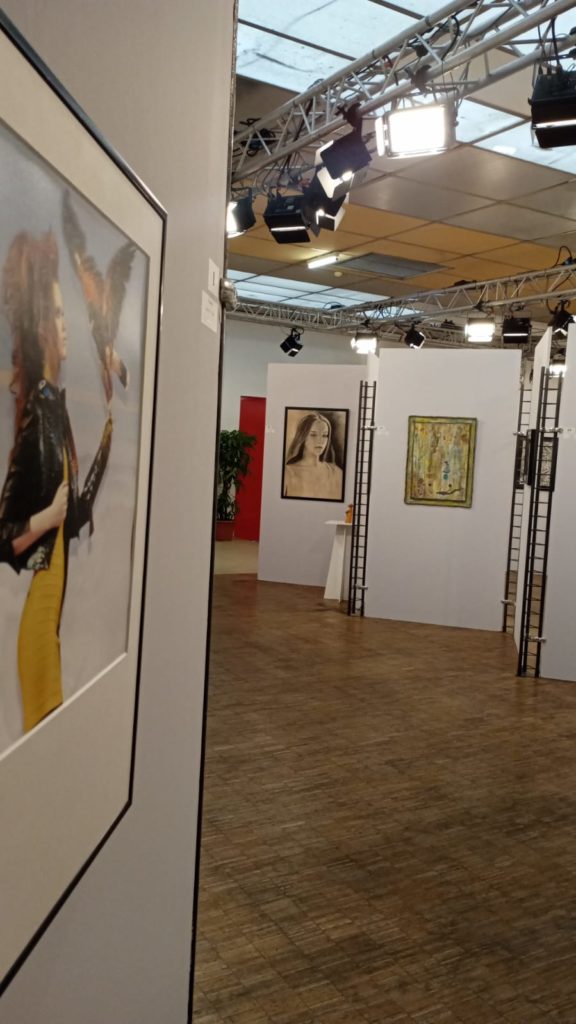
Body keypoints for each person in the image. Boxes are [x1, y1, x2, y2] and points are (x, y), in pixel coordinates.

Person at [0, 231, 112, 734]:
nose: (66, 327)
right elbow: (5, 535)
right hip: (39, 632)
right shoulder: (36, 417)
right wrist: (45, 518)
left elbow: (76, 514)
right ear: (41, 326)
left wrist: (106, 443)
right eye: (60, 315)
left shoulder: (53, 407)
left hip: (53, 626)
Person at [283, 411, 343, 500]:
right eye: (313, 435)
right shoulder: (287, 473)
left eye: (325, 435)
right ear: (303, 437)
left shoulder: (336, 472)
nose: (320, 441)